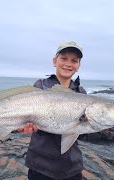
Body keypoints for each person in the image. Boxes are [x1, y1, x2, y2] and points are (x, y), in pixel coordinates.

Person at [17, 41, 87, 180]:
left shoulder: (81, 93)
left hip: (71, 167)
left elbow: (81, 131)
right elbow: (25, 116)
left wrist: (106, 123)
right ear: (55, 61)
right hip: (40, 166)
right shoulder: (40, 86)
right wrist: (24, 126)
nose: (68, 63)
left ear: (78, 66)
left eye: (74, 61)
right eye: (64, 58)